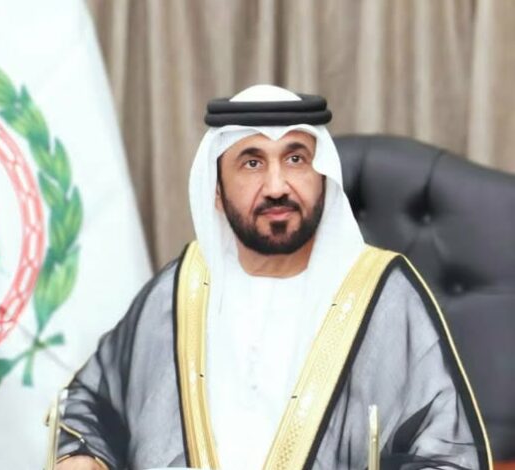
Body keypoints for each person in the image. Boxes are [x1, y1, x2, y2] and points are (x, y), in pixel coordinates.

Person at [54, 85, 491, 470]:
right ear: (216, 191)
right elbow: (93, 400)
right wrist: (81, 456)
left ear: (323, 177)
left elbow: (446, 452)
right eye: (252, 163)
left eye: (296, 159)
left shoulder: (382, 293)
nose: (277, 186)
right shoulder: (183, 289)